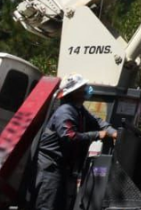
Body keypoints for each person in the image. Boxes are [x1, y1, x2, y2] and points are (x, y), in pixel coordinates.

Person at [33, 73, 118, 210]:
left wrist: (112, 132)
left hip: (63, 168)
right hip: (51, 168)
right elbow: (70, 137)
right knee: (47, 206)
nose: (87, 89)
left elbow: (96, 121)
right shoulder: (65, 111)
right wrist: (96, 135)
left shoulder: (79, 110)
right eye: (83, 87)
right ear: (75, 93)